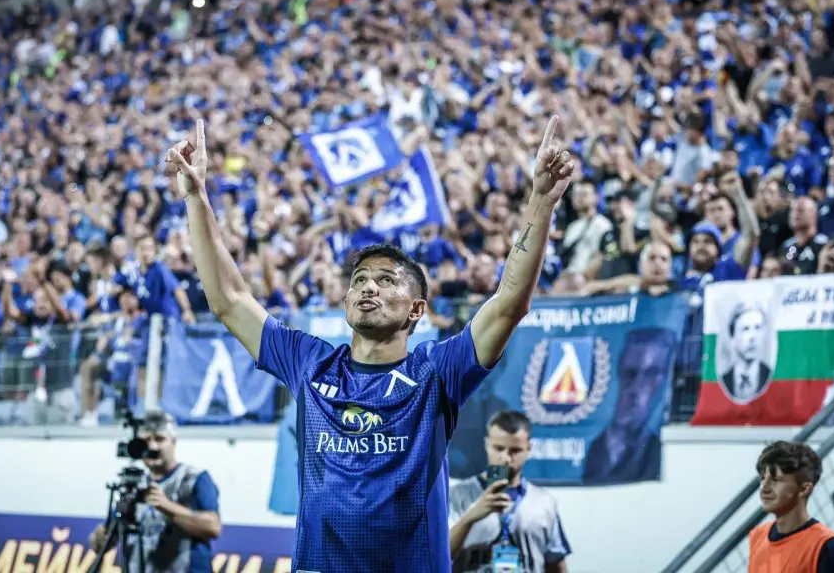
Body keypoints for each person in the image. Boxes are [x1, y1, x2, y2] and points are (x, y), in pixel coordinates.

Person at [164, 116, 575, 573]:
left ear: (416, 311)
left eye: (386, 280)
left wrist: (540, 202)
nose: (368, 287)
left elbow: (508, 304)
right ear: (345, 302)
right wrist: (196, 198)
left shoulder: (436, 372)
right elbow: (229, 300)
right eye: (359, 279)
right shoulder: (310, 363)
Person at [88, 410, 222, 573]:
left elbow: (213, 527)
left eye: (159, 439)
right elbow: (100, 543)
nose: (152, 447)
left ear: (173, 442)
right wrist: (103, 533)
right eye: (146, 441)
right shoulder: (134, 485)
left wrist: (167, 506)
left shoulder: (193, 478)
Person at [448, 411, 571, 573]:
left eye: (515, 451)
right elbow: (436, 556)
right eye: (498, 448)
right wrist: (469, 518)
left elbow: (555, 564)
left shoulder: (545, 503)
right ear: (487, 444)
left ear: (528, 448)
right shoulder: (456, 496)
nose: (505, 458)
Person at [582, 328, 675, 485]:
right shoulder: (593, 446)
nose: (636, 387)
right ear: (619, 373)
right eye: (631, 374)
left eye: (650, 374)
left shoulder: (663, 450)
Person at [749, 441, 834, 573]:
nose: (764, 488)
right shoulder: (758, 536)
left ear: (804, 489)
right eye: (763, 478)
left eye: (776, 480)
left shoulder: (826, 545)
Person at [719, 303, 772, 403]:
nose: (752, 337)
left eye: (757, 328)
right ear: (732, 338)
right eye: (745, 329)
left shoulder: (771, 377)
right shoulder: (723, 381)